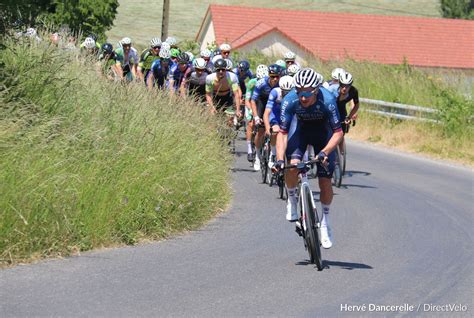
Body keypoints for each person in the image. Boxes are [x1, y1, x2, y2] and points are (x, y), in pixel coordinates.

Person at [274, 68, 343, 249]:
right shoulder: (290, 100)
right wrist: (280, 159)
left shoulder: (328, 100)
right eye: (299, 91)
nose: (303, 97)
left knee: (325, 180)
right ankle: (292, 199)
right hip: (301, 132)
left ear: (316, 90)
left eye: (307, 93)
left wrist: (325, 152)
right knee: (292, 165)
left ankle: (325, 221)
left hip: (324, 136)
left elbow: (338, 133)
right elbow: (282, 133)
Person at [250, 64, 282, 171]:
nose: (275, 79)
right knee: (260, 130)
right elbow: (253, 100)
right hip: (262, 104)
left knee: (276, 130)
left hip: (274, 106)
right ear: (269, 76)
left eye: (277, 76)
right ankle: (258, 157)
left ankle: (272, 155)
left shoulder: (281, 84)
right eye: (272, 77)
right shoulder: (261, 83)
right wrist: (256, 117)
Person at [263, 75, 295, 168]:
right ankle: (273, 154)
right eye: (284, 91)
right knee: (275, 131)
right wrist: (267, 127)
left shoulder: (295, 94)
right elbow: (267, 113)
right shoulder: (275, 92)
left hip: (288, 116)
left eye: (289, 92)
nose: (286, 94)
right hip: (275, 115)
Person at [244, 65, 269, 162]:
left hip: (262, 103)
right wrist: (251, 111)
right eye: (259, 79)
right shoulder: (252, 82)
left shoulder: (268, 83)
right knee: (251, 123)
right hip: (252, 103)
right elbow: (247, 100)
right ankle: (250, 149)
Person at [334, 71, 359, 154]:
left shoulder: (353, 91)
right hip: (332, 107)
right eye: (342, 85)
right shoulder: (333, 91)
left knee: (342, 130)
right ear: (339, 84)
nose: (344, 88)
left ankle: (340, 151)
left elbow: (356, 105)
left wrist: (349, 117)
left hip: (341, 108)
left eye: (347, 86)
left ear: (350, 85)